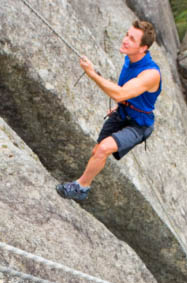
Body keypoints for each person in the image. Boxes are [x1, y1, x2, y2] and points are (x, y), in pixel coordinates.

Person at [56, 20, 161, 201]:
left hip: (138, 125)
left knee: (104, 148)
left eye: (132, 39)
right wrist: (124, 105)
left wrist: (92, 74)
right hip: (123, 113)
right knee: (97, 150)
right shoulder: (130, 58)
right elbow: (128, 94)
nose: (125, 40)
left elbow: (120, 93)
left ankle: (81, 187)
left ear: (143, 48)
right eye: (127, 35)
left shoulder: (151, 73)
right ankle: (84, 182)